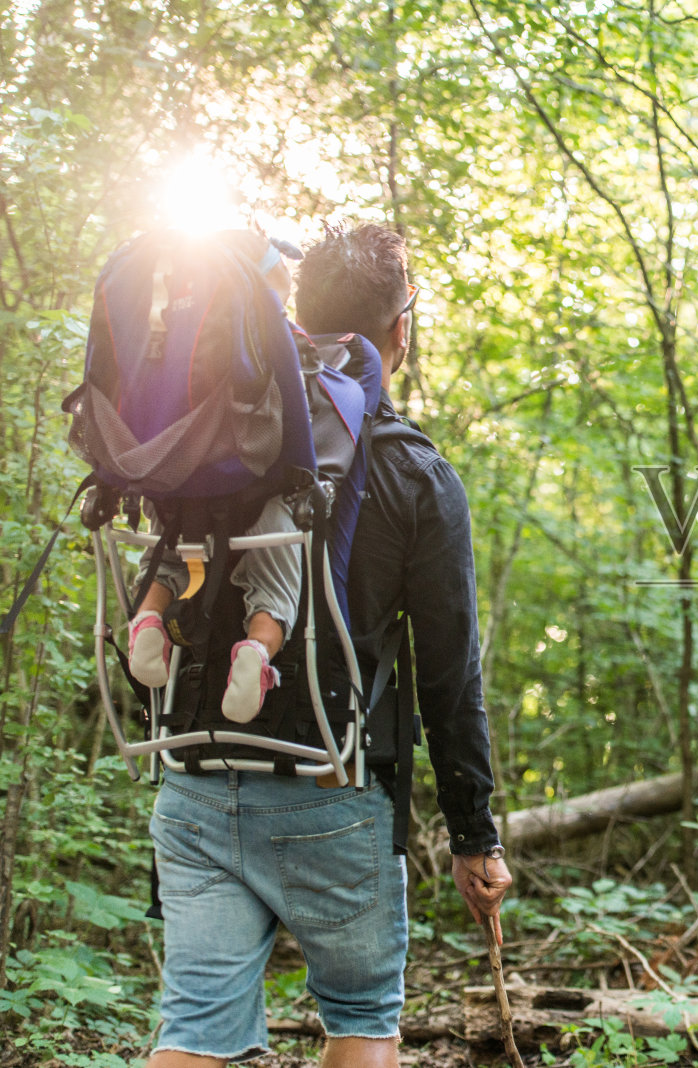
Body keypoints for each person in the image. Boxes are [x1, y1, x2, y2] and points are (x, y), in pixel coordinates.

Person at [146, 222, 512, 1068]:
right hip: (333, 787)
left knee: (194, 1029)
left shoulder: (220, 438)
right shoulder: (417, 473)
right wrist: (474, 836)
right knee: (359, 1016)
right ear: (401, 328)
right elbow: (450, 679)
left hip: (195, 780)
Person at [128, 229, 303, 724]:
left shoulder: (170, 346)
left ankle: (146, 622)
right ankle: (257, 652)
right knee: (274, 590)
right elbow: (301, 437)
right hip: (256, 498)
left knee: (168, 563)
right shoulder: (273, 342)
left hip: (177, 499)